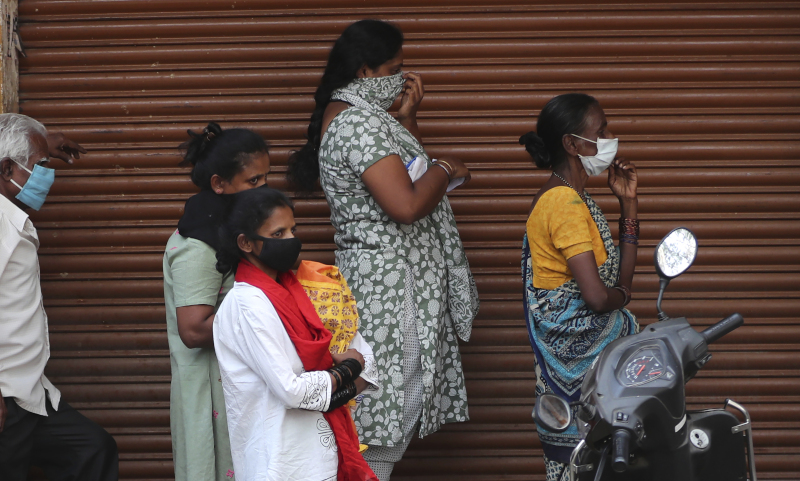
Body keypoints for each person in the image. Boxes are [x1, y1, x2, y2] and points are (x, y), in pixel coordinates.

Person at [287, 19, 480, 480]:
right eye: (395, 69)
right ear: (365, 71)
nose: (402, 77)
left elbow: (405, 174)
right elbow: (406, 204)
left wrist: (408, 120)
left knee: (387, 410)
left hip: (390, 289)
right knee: (383, 417)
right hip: (391, 297)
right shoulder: (358, 124)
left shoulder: (360, 118)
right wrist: (446, 166)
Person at [212, 187, 379, 481]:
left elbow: (368, 361)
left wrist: (346, 373)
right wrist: (349, 368)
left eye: (293, 230)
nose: (291, 240)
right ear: (245, 243)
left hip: (322, 459)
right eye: (278, 234)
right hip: (279, 464)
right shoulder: (246, 305)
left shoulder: (306, 291)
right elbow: (292, 391)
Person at [519, 93, 640, 480]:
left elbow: (615, 285)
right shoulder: (563, 203)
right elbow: (599, 298)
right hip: (582, 390)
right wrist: (622, 299)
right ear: (572, 144)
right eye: (600, 131)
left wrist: (629, 204)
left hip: (585, 386)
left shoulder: (576, 199)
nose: (609, 139)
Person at [0, 113, 118, 480]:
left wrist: (41, 141)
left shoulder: (11, 217)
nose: (46, 175)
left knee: (91, 450)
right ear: (6, 169)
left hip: (29, 392)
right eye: (39, 166)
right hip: (5, 394)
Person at [162, 121, 270, 481]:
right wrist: (271, 319)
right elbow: (193, 330)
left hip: (240, 383)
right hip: (213, 392)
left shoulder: (232, 231)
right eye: (253, 181)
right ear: (219, 184)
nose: (263, 189)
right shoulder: (198, 245)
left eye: (266, 178)